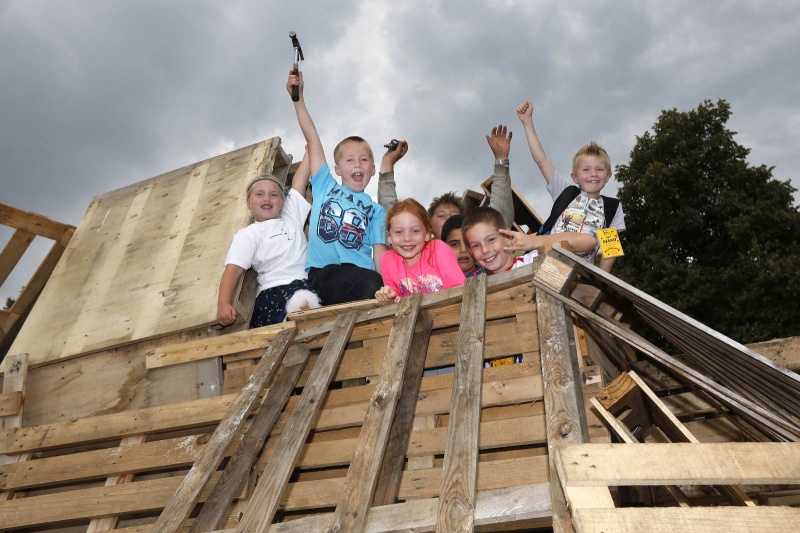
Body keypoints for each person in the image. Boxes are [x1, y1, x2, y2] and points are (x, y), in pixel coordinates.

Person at [287, 70, 388, 305]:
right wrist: (298, 98)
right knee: (367, 283)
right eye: (350, 160)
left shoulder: (376, 211)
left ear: (373, 169)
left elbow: (380, 251)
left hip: (360, 277)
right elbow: (312, 137)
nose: (358, 164)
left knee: (374, 283)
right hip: (324, 274)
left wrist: (386, 285)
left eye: (364, 160)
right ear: (338, 169)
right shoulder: (325, 186)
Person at [503, 100, 625, 273]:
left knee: (589, 241)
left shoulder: (612, 207)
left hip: (577, 269)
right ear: (574, 176)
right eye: (586, 169)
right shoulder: (566, 192)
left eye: (599, 169)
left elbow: (610, 249)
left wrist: (603, 279)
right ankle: (535, 243)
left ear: (608, 176)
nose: (593, 174)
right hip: (547, 257)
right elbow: (541, 160)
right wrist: (527, 122)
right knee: (587, 241)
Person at [217, 155, 321, 328]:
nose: (267, 198)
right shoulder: (249, 234)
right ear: (248, 202)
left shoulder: (291, 217)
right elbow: (233, 269)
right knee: (297, 305)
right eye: (259, 194)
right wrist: (223, 303)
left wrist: (309, 149)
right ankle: (293, 317)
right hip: (273, 290)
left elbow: (300, 182)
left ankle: (302, 313)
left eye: (273, 195)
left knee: (308, 298)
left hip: (304, 283)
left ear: (283, 202)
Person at [377, 125, 516, 238]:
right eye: (441, 216)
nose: (448, 219)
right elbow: (392, 218)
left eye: (454, 216)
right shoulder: (421, 256)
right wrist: (387, 164)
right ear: (429, 227)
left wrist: (501, 160)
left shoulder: (478, 251)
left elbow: (498, 220)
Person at [375, 199, 465, 302]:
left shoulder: (438, 249)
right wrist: (388, 295)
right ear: (389, 237)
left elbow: (460, 289)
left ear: (427, 234)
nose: (407, 238)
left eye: (415, 231)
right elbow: (394, 297)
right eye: (399, 232)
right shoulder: (388, 260)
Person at [462, 207, 537, 275]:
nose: (485, 250)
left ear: (507, 236)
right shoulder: (475, 285)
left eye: (491, 239)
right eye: (476, 245)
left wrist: (535, 241)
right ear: (470, 251)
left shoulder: (532, 261)